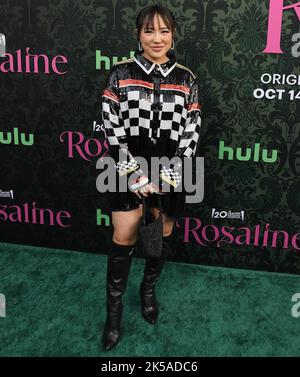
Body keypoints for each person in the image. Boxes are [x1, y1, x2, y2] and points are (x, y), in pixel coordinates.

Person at [101, 4, 202, 351]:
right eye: (149, 31)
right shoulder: (118, 74)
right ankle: (113, 315)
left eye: (163, 31)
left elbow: (192, 130)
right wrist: (134, 175)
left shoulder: (187, 78)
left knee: (162, 233)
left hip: (171, 168)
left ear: (173, 34)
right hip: (126, 166)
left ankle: (147, 292)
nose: (157, 38)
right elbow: (111, 129)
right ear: (137, 34)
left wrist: (171, 174)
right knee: (126, 233)